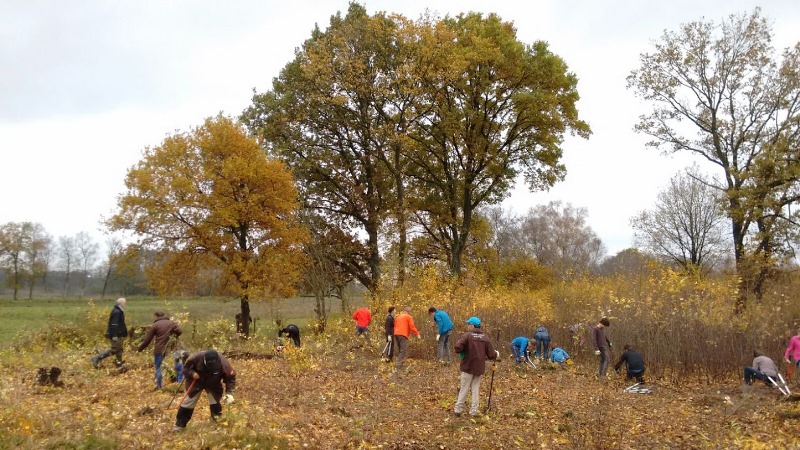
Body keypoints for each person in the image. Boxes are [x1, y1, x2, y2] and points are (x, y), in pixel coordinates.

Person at [174, 350, 236, 431]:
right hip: (196, 382)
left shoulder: (224, 363)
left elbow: (230, 378)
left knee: (215, 402)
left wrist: (229, 393)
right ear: (205, 361)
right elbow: (185, 369)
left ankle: (216, 423)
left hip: (213, 383)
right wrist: (192, 374)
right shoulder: (196, 358)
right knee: (188, 402)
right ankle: (180, 426)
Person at [453, 317, 498, 417]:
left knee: (464, 388)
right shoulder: (485, 337)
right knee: (475, 389)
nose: (468, 326)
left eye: (469, 324)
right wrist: (496, 354)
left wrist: (462, 351)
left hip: (467, 367)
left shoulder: (467, 336)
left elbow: (457, 347)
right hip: (479, 368)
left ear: (472, 325)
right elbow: (491, 354)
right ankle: (474, 411)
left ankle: (458, 410)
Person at [136, 310, 182, 389]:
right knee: (177, 364)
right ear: (164, 315)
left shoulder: (155, 325)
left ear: (156, 316)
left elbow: (147, 340)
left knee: (158, 367)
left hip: (159, 349)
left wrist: (140, 349)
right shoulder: (172, 323)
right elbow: (180, 331)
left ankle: (160, 386)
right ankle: (178, 383)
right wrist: (174, 336)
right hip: (171, 348)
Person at [91, 298, 128, 369]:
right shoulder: (117, 312)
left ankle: (119, 364)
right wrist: (114, 335)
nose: (125, 305)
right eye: (124, 303)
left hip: (118, 334)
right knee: (115, 349)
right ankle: (96, 358)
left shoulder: (118, 311)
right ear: (121, 304)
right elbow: (114, 324)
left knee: (119, 349)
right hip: (116, 335)